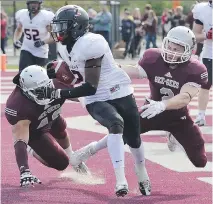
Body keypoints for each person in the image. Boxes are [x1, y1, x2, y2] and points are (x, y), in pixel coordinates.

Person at [35, 5, 151, 197]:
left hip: (117, 89)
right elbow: (77, 76)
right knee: (115, 124)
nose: (58, 31)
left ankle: (141, 171)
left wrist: (57, 93)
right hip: (95, 98)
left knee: (134, 138)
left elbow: (90, 85)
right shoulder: (65, 47)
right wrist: (58, 70)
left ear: (76, 27)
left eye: (63, 26)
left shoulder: (91, 43)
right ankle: (120, 179)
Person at [70, 27, 208, 181]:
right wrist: (113, 68)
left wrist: (163, 105)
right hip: (151, 111)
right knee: (119, 134)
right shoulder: (154, 58)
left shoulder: (195, 69)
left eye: (177, 48)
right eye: (169, 46)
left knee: (200, 161)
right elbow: (136, 71)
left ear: (189, 51)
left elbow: (184, 97)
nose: (171, 51)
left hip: (178, 118)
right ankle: (88, 150)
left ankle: (172, 133)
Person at [5, 65, 88, 188]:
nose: (43, 93)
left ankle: (73, 157)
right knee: (61, 163)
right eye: (38, 91)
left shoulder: (58, 82)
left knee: (60, 127)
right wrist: (25, 171)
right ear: (25, 90)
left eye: (45, 88)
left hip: (52, 115)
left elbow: (81, 95)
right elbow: (20, 141)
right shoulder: (18, 106)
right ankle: (32, 148)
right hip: (34, 129)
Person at [13, 0, 55, 71]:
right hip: (26, 49)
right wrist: (15, 40)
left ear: (39, 4)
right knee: (22, 73)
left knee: (39, 76)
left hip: (41, 52)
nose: (33, 5)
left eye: (35, 3)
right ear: (28, 4)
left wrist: (43, 42)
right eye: (31, 3)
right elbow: (19, 29)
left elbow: (54, 36)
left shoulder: (45, 17)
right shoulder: (22, 14)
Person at [192, 0, 212, 126]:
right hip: (210, 55)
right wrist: (207, 35)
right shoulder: (203, 10)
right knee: (205, 85)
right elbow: (195, 35)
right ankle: (201, 115)